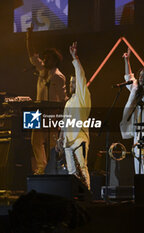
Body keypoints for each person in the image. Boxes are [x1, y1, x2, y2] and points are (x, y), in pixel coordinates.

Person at [26, 24, 67, 175]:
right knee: (35, 141)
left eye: (48, 58)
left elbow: (62, 98)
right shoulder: (42, 70)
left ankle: (52, 168)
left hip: (52, 112)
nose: (44, 60)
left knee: (51, 142)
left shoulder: (59, 76)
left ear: (55, 60)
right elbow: (32, 55)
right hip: (37, 111)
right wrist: (29, 37)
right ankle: (41, 167)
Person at [56, 42, 91, 189]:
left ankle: (87, 192)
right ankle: (74, 196)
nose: (71, 85)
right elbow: (64, 122)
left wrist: (75, 58)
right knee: (71, 172)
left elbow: (81, 76)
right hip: (68, 142)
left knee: (82, 168)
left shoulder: (83, 97)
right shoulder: (69, 102)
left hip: (79, 139)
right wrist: (60, 138)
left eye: (74, 82)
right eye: (70, 83)